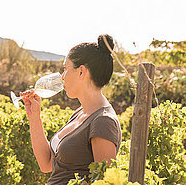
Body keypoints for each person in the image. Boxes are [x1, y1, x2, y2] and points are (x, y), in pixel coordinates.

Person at [21, 34, 122, 185]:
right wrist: (34, 117)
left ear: (81, 72)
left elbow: (106, 182)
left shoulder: (103, 121)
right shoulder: (81, 113)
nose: (62, 77)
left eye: (65, 69)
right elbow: (46, 164)